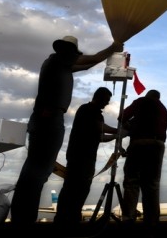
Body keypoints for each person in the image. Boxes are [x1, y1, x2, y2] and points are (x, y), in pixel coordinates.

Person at [10, 35, 122, 225]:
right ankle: (23, 221)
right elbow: (93, 59)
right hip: (49, 119)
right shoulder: (57, 60)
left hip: (48, 119)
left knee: (37, 171)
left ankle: (23, 219)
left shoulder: (60, 64)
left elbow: (87, 65)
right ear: (65, 51)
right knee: (37, 172)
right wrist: (114, 47)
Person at [52, 86, 117, 230]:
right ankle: (63, 220)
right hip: (79, 156)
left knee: (82, 188)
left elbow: (99, 136)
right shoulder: (86, 110)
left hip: (87, 158)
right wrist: (117, 130)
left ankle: (73, 218)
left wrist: (116, 136)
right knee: (72, 187)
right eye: (106, 100)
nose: (106, 104)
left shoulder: (96, 114)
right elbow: (99, 127)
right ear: (98, 97)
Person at [118, 89, 167, 233]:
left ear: (147, 96)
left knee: (132, 182)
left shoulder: (141, 101)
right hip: (157, 145)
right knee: (152, 184)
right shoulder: (163, 109)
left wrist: (130, 128)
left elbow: (122, 117)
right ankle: (152, 222)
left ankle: (128, 219)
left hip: (139, 143)